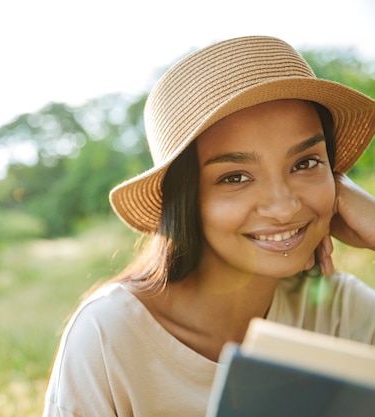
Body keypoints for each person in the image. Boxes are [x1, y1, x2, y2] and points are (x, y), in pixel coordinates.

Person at [42, 36, 375, 417]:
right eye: (235, 177)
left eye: (305, 164)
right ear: (185, 199)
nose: (283, 207)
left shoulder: (338, 312)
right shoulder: (109, 338)